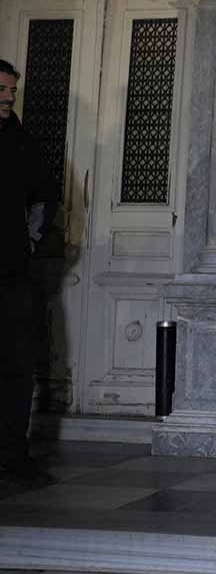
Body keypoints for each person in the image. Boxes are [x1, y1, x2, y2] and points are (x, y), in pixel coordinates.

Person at [0, 58, 57, 487]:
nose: (7, 97)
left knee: (18, 366)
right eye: (1, 89)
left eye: (12, 92)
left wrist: (30, 243)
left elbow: (43, 199)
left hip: (12, 272)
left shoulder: (23, 143)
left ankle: (13, 455)